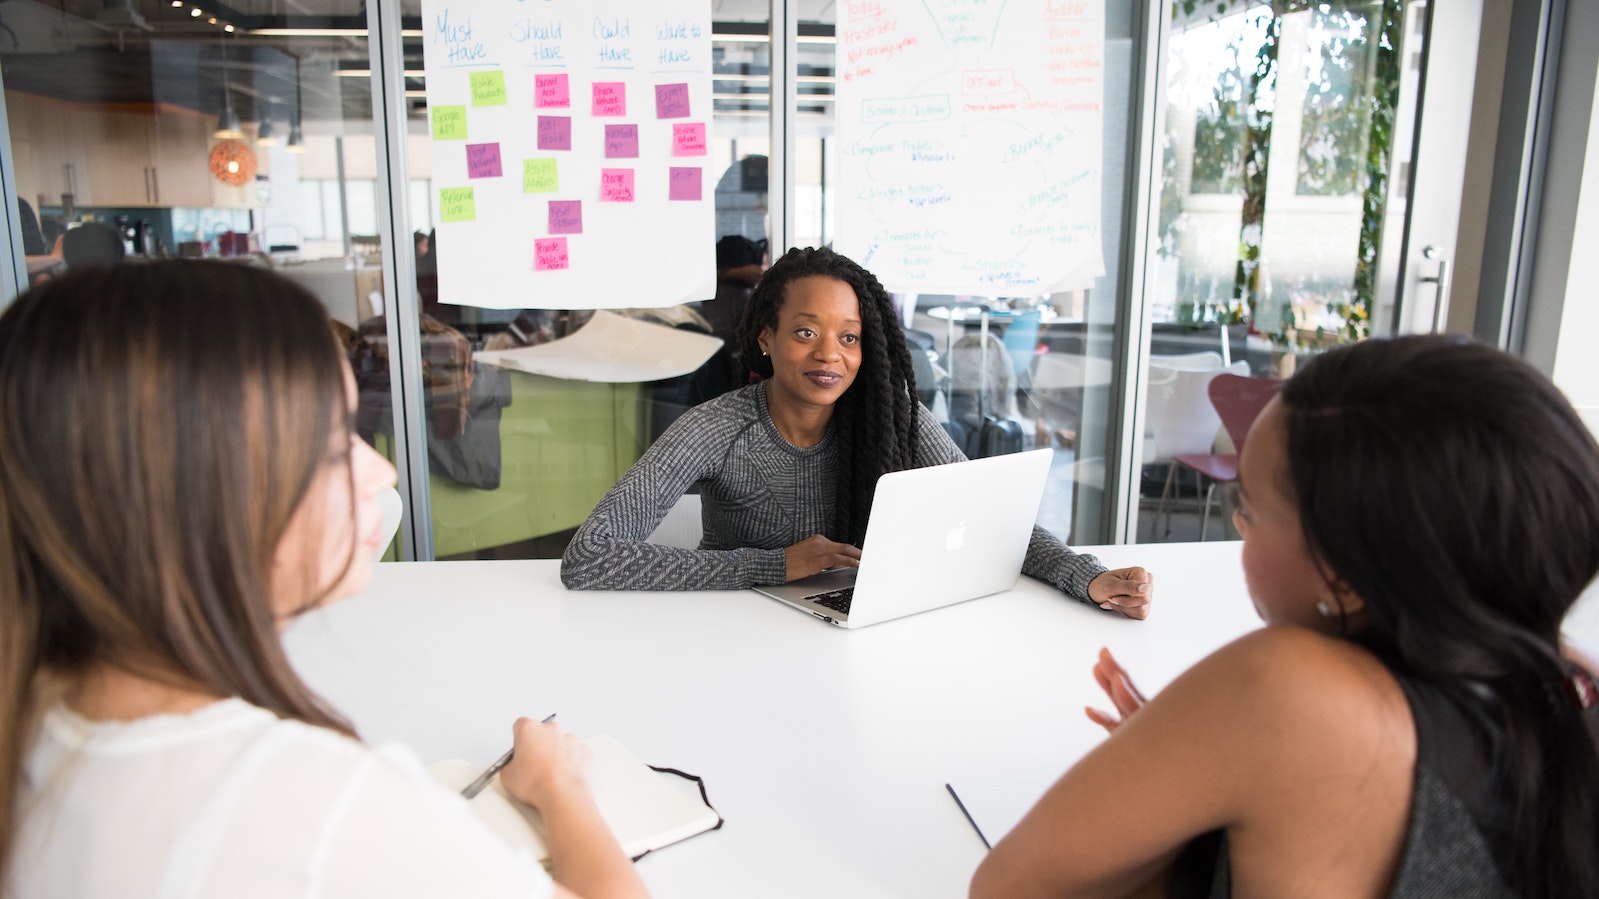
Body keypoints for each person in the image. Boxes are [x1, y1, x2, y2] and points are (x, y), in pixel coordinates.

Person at [0, 261, 649, 899]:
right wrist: (560, 786)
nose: (382, 473)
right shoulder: (311, 807)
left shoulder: (40, 717)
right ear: (196, 490)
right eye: (336, 443)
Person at [970, 335, 1599, 899]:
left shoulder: (1283, 689)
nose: (1239, 528)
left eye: (1250, 509)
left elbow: (1008, 888)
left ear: (1346, 575)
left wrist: (1179, 788)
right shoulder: (1570, 683)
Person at [561, 246, 1153, 618]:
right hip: (729, 634)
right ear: (767, 338)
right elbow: (589, 558)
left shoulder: (891, 420)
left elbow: (995, 521)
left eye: (849, 337)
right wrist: (770, 565)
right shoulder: (716, 428)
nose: (830, 354)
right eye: (804, 332)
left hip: (857, 629)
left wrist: (1088, 576)